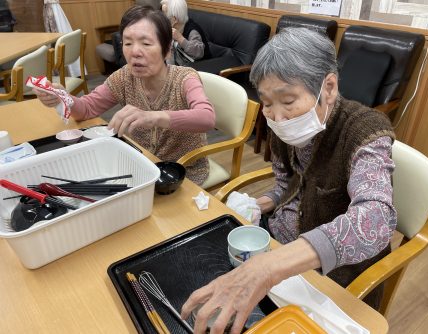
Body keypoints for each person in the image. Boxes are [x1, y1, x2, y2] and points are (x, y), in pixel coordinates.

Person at [180, 27, 397, 333]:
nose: (277, 117)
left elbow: (376, 220)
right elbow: (287, 185)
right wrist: (256, 205)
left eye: (288, 100)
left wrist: (269, 267)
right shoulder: (282, 123)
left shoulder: (364, 131)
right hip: (278, 243)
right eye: (267, 102)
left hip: (333, 271)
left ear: (329, 87)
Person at [34, 6, 215, 186]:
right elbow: (87, 109)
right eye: (128, 43)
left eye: (146, 43)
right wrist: (64, 98)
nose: (135, 52)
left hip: (181, 173)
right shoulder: (124, 77)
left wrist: (153, 117)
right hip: (141, 164)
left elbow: (207, 118)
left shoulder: (185, 78)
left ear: (167, 49)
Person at [160, 0, 210, 66]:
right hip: (179, 68)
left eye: (164, 14)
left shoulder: (193, 31)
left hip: (200, 68)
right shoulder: (170, 28)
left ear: (174, 19)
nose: (161, 17)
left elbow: (199, 53)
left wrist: (180, 39)